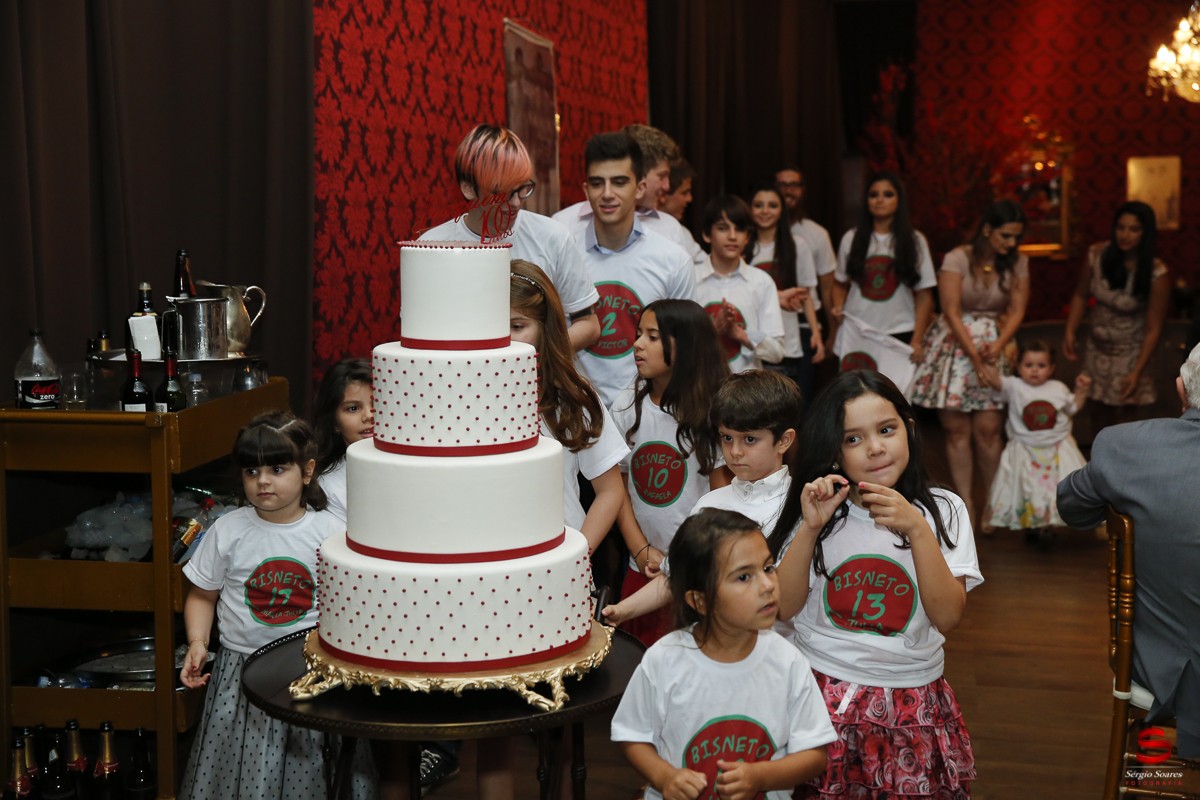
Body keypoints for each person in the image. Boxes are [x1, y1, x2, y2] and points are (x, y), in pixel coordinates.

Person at [770, 370, 981, 800]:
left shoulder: (944, 509)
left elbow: (947, 615)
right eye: (853, 439)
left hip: (913, 696)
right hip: (823, 691)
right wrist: (809, 528)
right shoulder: (815, 506)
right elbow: (784, 607)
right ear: (834, 451)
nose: (875, 447)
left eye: (886, 429)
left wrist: (918, 530)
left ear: (910, 429)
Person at [178, 412, 376, 800]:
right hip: (241, 671)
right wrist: (198, 642)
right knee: (242, 765)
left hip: (310, 671)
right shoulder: (227, 530)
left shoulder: (331, 534)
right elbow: (202, 595)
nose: (263, 481)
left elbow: (351, 606)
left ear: (307, 471)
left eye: (277, 468)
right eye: (252, 471)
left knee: (312, 766)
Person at [610, 508, 836, 800]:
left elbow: (815, 754)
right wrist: (665, 777)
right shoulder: (664, 660)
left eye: (768, 568)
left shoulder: (788, 661)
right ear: (700, 601)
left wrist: (759, 776)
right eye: (744, 577)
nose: (768, 585)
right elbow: (632, 735)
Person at [1057, 342, 1200, 760]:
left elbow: (1073, 508)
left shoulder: (1125, 448)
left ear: (1180, 388)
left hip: (1162, 667)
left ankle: (1155, 771)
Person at [602, 370, 801, 632]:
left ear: (784, 441)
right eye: (727, 437)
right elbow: (675, 577)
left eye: (750, 439)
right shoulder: (710, 504)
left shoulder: (799, 509)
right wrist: (622, 610)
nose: (735, 451)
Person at [610, 299, 730, 646]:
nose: (637, 344)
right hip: (642, 569)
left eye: (652, 336)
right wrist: (640, 549)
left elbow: (720, 498)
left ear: (687, 347)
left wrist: (688, 555)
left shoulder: (713, 412)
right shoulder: (625, 406)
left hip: (697, 569)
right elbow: (617, 489)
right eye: (638, 334)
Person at [419, 124, 600, 352]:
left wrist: (536, 358)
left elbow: (589, 324)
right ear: (468, 188)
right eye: (502, 193)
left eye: (522, 188)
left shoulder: (553, 237)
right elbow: (420, 334)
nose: (515, 203)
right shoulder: (431, 248)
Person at [909, 199, 1031, 532]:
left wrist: (1000, 344)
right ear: (988, 230)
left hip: (995, 342)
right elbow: (948, 309)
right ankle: (966, 505)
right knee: (956, 430)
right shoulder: (958, 257)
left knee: (989, 430)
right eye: (1005, 236)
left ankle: (993, 505)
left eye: (1016, 237)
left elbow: (1018, 309)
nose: (1011, 244)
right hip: (955, 347)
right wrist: (975, 356)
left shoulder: (1017, 262)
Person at [570, 132, 696, 408]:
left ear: (639, 189)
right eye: (597, 183)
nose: (607, 194)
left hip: (651, 412)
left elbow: (688, 348)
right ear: (585, 190)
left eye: (619, 182)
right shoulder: (565, 257)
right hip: (579, 412)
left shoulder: (673, 260)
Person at [1062, 201, 1170, 431]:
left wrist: (1137, 371)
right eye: (1120, 227)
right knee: (1097, 419)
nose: (1125, 235)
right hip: (1096, 350)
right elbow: (1081, 294)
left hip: (1130, 354)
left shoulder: (1156, 272)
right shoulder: (1097, 254)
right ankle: (1099, 465)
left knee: (1123, 424)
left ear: (1146, 232)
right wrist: (1070, 331)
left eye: (1134, 229)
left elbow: (1154, 329)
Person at [978, 340, 1090, 545]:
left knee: (1054, 489)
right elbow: (994, 380)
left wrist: (1080, 391)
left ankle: (1046, 524)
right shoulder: (1014, 386)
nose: (1035, 371)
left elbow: (1073, 408)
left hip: (1056, 447)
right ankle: (1033, 523)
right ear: (1019, 367)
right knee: (1026, 488)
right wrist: (989, 361)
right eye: (1029, 366)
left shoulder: (1058, 388)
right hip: (1024, 448)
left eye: (1041, 366)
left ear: (1051, 369)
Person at [831, 172, 937, 390]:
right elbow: (839, 283)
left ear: (899, 200)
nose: (879, 200)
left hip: (899, 332)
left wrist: (917, 339)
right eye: (873, 195)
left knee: (895, 398)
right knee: (854, 397)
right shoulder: (851, 238)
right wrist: (839, 307)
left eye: (887, 194)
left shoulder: (915, 240)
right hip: (858, 331)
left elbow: (925, 295)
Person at [555, 124, 698, 258]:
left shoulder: (669, 227)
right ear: (640, 172)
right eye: (661, 176)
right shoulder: (564, 224)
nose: (667, 186)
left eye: (618, 183)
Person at [746, 182, 825, 398]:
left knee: (789, 405)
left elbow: (805, 295)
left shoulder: (798, 245)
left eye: (772, 205)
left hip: (788, 338)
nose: (765, 211)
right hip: (750, 338)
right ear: (750, 210)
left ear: (782, 211)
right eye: (759, 205)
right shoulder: (742, 246)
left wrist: (816, 335)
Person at [694, 194, 786, 374]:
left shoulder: (761, 282)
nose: (732, 236)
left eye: (740, 229)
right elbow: (672, 347)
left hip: (746, 394)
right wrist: (713, 330)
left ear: (747, 237)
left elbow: (777, 353)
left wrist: (739, 334)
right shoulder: (689, 277)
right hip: (697, 388)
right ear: (706, 234)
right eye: (723, 228)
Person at [776, 167, 838, 334]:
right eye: (782, 184)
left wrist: (833, 333)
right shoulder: (752, 236)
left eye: (794, 185)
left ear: (803, 190)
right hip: (768, 319)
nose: (788, 190)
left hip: (805, 321)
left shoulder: (817, 234)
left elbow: (827, 288)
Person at [313, 358, 373, 522]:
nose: (369, 415)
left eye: (378, 404)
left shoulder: (418, 463)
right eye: (353, 408)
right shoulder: (328, 486)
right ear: (334, 423)